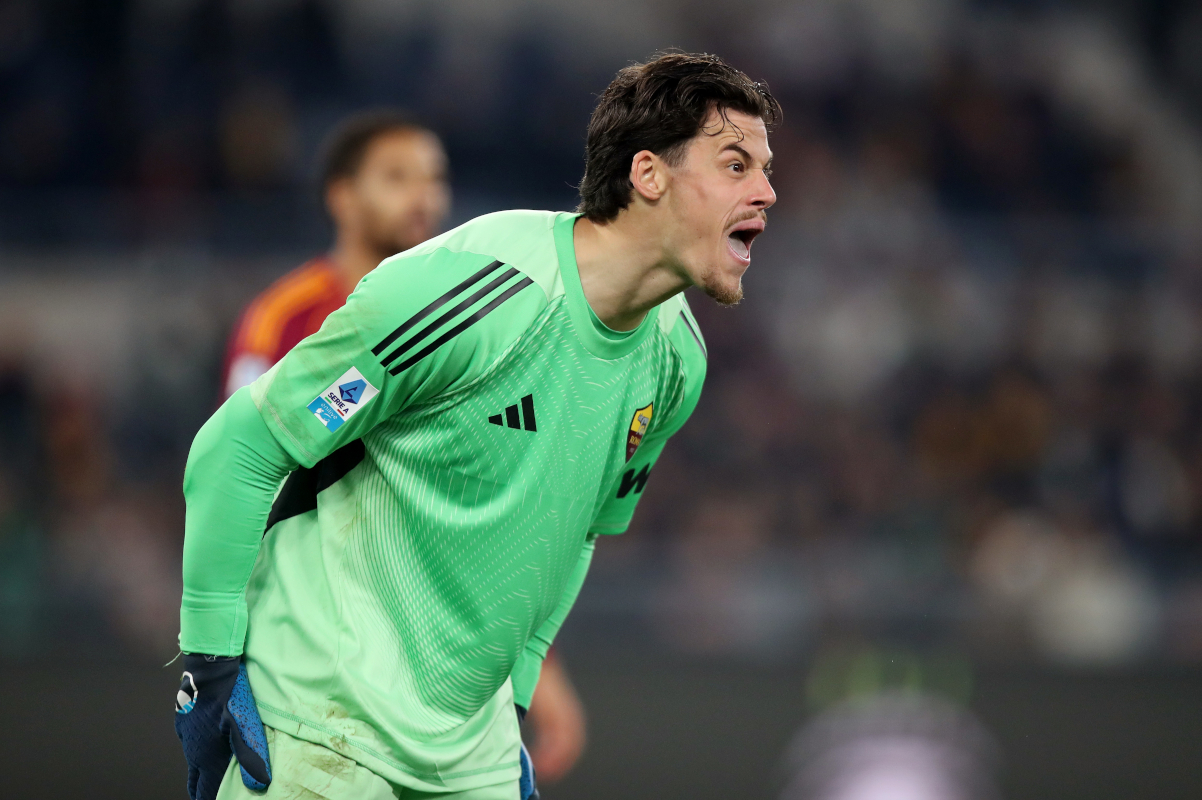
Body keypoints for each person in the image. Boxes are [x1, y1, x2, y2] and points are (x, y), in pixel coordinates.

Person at [174, 51, 778, 800]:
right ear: (648, 174)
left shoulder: (677, 362)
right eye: (736, 165)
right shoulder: (472, 291)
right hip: (321, 729)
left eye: (765, 169)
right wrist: (209, 666)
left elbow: (575, 534)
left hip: (472, 760)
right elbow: (236, 447)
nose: (766, 191)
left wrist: (515, 695)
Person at [219, 110, 590, 782]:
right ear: (341, 196)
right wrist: (225, 648)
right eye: (396, 177)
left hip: (434, 655)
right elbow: (240, 479)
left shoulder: (472, 322)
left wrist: (542, 667)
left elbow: (487, 506)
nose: (424, 196)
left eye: (434, 178)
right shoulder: (283, 322)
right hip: (311, 653)